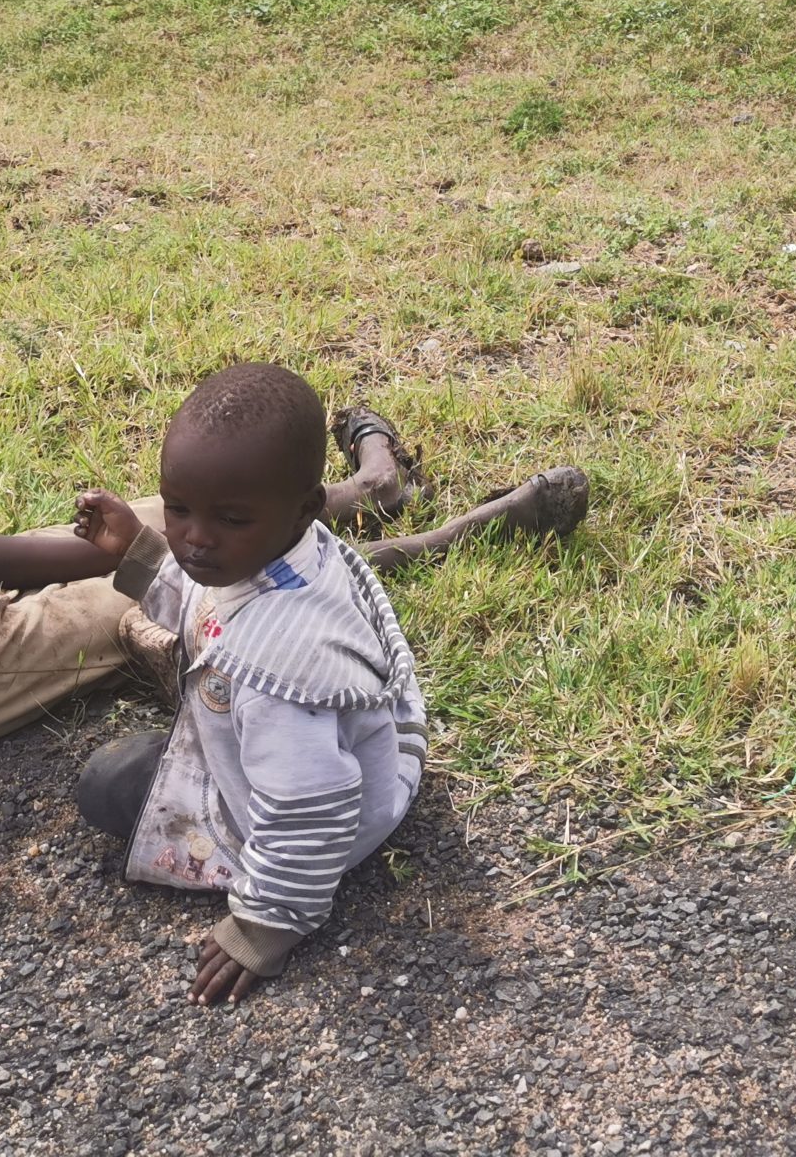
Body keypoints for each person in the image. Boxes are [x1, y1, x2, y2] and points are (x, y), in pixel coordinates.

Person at [0, 140, 432, 756]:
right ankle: (404, 546)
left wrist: (130, 551)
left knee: (193, 526)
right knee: (210, 581)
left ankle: (371, 491)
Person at [68, 362, 586, 1004]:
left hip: (327, 819)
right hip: (331, 753)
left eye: (228, 519)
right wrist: (142, 553)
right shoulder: (282, 550)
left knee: (106, 786)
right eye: (177, 509)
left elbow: (309, 810)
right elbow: (207, 603)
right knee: (134, 763)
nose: (195, 539)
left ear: (306, 509)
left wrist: (263, 925)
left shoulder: (281, 676)